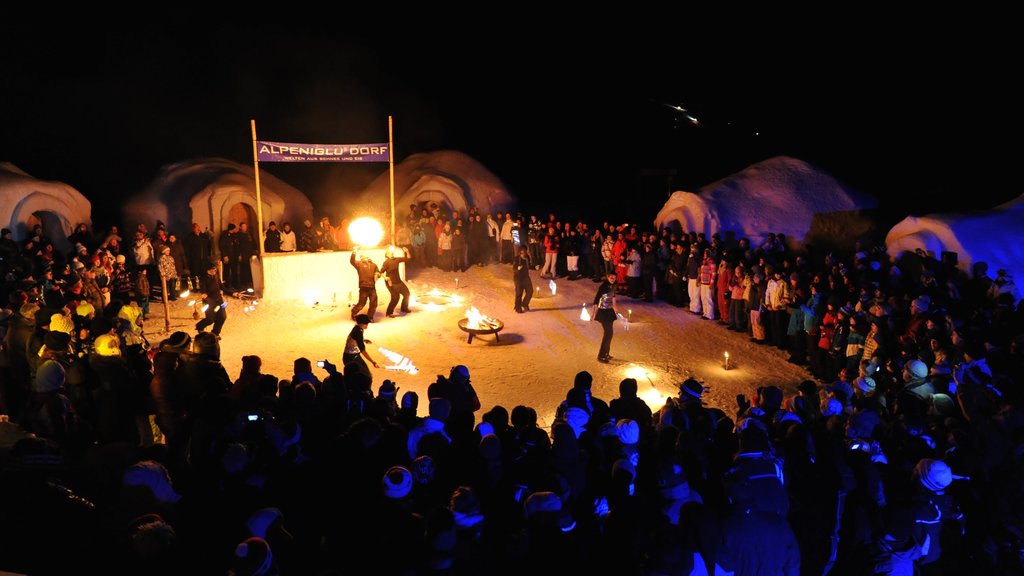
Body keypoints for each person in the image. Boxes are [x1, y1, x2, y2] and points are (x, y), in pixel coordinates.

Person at [591, 272, 618, 362]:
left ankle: (606, 353)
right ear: (607, 277)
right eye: (611, 278)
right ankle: (601, 355)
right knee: (608, 333)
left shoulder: (614, 285)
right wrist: (593, 312)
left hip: (609, 312)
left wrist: (615, 308)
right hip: (603, 313)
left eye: (614, 278)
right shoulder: (603, 287)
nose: (613, 279)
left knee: (609, 333)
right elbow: (596, 299)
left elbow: (613, 296)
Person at [195, 261, 227, 337]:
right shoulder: (204, 279)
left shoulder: (216, 277)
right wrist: (204, 294)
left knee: (222, 317)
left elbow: (222, 287)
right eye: (213, 269)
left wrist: (233, 293)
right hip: (209, 302)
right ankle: (200, 326)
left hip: (219, 301)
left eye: (215, 269)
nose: (215, 271)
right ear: (208, 270)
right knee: (210, 319)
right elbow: (203, 289)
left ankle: (215, 333)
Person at [350, 247, 380, 322]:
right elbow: (352, 261)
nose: (365, 256)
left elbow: (377, 273)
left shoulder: (374, 265)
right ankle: (354, 313)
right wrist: (354, 252)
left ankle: (369, 317)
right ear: (361, 257)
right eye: (363, 256)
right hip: (363, 287)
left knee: (374, 303)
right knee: (361, 303)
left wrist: (377, 275)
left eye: (366, 255)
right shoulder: (359, 264)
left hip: (372, 287)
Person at [381, 246, 411, 318]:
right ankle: (389, 313)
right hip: (391, 283)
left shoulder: (396, 260)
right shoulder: (386, 262)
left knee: (407, 294)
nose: (391, 252)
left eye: (391, 252)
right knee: (395, 298)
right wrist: (386, 278)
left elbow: (408, 258)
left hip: (398, 281)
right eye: (389, 252)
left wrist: (407, 251)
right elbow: (380, 272)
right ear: (387, 255)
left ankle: (404, 308)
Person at [513, 245, 533, 313]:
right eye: (523, 252)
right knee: (519, 293)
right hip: (518, 277)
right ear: (520, 252)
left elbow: (529, 266)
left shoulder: (527, 258)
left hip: (526, 277)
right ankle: (518, 307)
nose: (524, 253)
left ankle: (524, 304)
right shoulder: (517, 259)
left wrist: (535, 267)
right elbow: (514, 268)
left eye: (525, 251)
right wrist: (517, 268)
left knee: (530, 291)